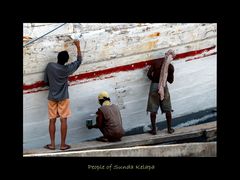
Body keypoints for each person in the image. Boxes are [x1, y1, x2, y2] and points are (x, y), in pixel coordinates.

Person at [43, 40, 82, 150]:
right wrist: (78, 47)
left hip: (52, 97)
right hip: (63, 97)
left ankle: (52, 144)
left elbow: (46, 81)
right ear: (66, 61)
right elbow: (79, 61)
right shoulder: (67, 69)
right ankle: (63, 145)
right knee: (63, 120)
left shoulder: (50, 66)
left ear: (57, 58)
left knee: (52, 120)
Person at [146, 49, 176, 135]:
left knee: (153, 109)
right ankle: (169, 129)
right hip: (163, 86)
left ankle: (154, 130)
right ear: (172, 58)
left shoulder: (156, 62)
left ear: (165, 55)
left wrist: (154, 81)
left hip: (154, 85)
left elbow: (148, 74)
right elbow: (171, 81)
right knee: (167, 109)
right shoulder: (170, 67)